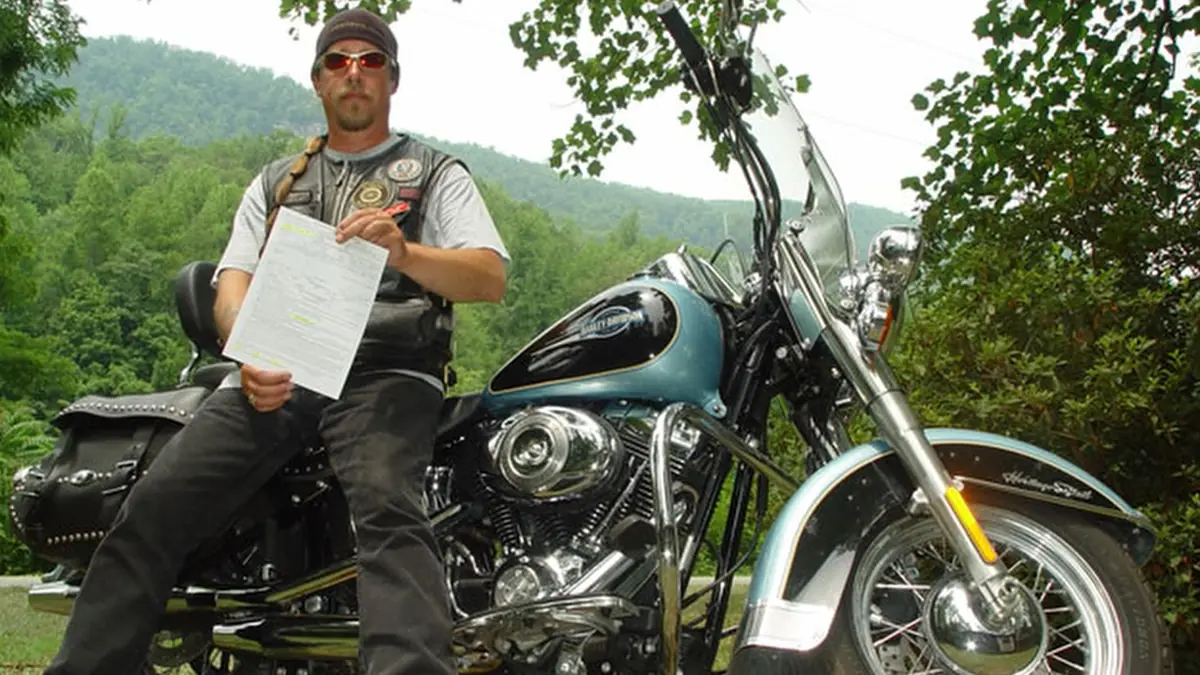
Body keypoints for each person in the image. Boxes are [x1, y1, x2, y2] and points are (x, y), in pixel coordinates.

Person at [42, 7, 508, 675]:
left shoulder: (436, 173)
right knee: (152, 503)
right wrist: (246, 349)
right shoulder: (274, 182)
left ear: (392, 80)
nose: (355, 73)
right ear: (317, 81)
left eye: (370, 61)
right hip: (276, 367)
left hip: (389, 371)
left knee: (387, 503)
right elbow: (232, 286)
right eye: (338, 61)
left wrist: (406, 251)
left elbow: (489, 276)